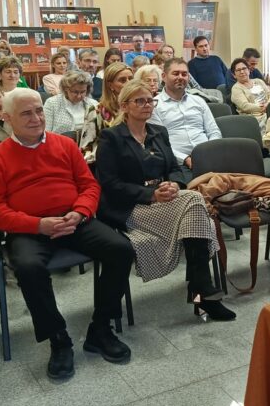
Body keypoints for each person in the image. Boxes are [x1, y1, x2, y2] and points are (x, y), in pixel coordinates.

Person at [0, 88, 134, 380]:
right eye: (26, 113)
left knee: (121, 249)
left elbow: (89, 185)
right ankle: (58, 338)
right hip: (29, 228)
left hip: (74, 219)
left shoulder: (65, 144)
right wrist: (38, 224)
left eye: (39, 110)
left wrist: (80, 212)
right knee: (28, 267)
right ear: (8, 118)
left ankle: (101, 328)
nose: (36, 118)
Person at [96, 80, 235, 321]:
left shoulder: (159, 132)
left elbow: (174, 168)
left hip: (167, 200)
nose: (147, 105)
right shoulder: (111, 137)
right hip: (132, 206)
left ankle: (201, 290)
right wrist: (150, 194)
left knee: (194, 208)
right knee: (196, 203)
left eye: (150, 100)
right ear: (124, 106)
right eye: (140, 101)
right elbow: (109, 184)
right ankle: (201, 291)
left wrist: (174, 184)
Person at [150, 57, 222, 185]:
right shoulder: (154, 105)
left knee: (233, 186)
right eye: (175, 73)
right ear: (164, 76)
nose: (180, 77)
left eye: (184, 74)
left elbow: (213, 131)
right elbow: (159, 143)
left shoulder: (198, 101)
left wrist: (210, 151)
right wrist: (185, 159)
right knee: (193, 191)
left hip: (208, 156)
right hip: (178, 163)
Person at [79, 62, 132, 161]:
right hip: (108, 161)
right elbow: (86, 149)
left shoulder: (139, 107)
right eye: (122, 80)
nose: (129, 83)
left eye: (131, 79)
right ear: (110, 85)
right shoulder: (96, 111)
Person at [44, 70, 96, 134]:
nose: (79, 96)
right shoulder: (52, 103)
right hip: (60, 139)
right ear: (66, 89)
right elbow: (46, 132)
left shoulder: (93, 104)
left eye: (83, 92)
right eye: (75, 92)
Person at [229, 58, 270, 131]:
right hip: (253, 118)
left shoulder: (259, 81)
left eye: (244, 68)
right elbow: (245, 106)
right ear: (234, 75)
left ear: (249, 70)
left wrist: (269, 105)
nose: (242, 72)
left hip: (269, 111)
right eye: (238, 70)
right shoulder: (236, 88)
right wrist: (263, 108)